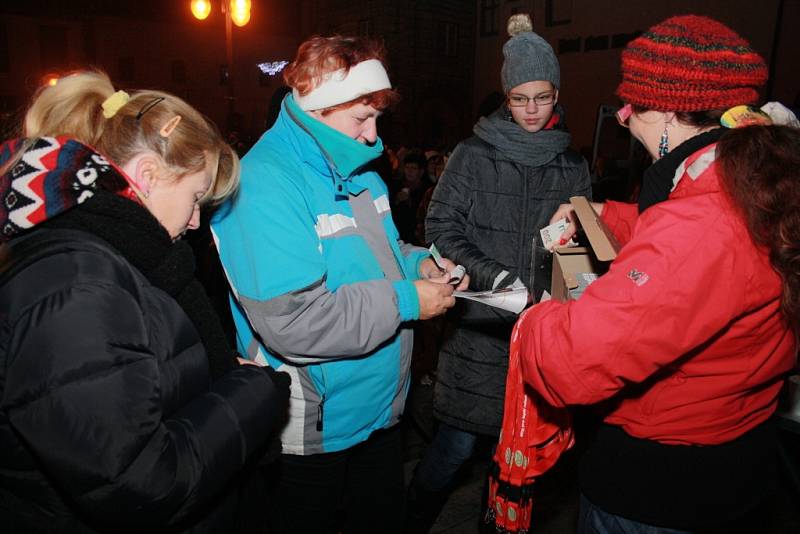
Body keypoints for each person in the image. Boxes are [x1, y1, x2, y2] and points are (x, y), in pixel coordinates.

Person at [515, 15, 797, 533]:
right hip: (736, 453)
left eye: (632, 106)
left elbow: (568, 362)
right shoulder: (753, 178)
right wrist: (605, 216)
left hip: (663, 486)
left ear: (668, 112)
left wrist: (537, 313)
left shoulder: (705, 221)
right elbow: (694, 255)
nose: (622, 118)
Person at [0, 71, 290, 533]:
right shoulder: (77, 287)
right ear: (148, 176)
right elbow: (139, 482)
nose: (196, 221)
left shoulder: (119, 258)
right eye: (195, 198)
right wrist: (252, 391)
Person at [210, 35, 464, 534]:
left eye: (377, 120)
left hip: (379, 410)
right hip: (313, 433)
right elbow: (296, 322)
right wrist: (410, 299)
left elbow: (379, 255)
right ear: (320, 109)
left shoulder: (358, 169)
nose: (374, 136)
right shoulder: (264, 183)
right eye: (362, 119)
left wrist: (419, 267)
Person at [405, 13, 591, 531]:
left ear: (557, 94)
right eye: (520, 98)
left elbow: (579, 250)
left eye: (543, 97)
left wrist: (575, 293)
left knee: (516, 466)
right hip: (480, 334)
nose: (532, 110)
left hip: (539, 339)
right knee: (453, 451)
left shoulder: (571, 164)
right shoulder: (473, 154)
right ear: (505, 98)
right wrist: (496, 277)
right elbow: (440, 223)